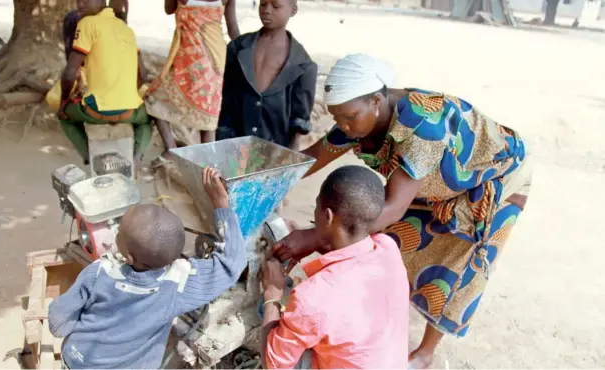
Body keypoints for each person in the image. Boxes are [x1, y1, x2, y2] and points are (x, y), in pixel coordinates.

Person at [272, 54, 533, 368]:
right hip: (431, 183)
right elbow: (310, 159)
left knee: (461, 262)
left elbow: (392, 208)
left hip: (492, 177)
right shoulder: (355, 116)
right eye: (336, 116)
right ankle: (378, 318)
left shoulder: (425, 127)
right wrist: (266, 181)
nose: (342, 125)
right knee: (390, 242)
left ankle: (424, 353)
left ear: (376, 101)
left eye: (349, 116)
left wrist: (317, 237)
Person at [48, 167, 247, 369]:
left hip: (78, 362)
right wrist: (221, 204)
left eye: (119, 233)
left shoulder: (99, 272)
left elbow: (58, 324)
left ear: (129, 257)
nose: (114, 234)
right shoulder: (178, 284)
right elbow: (232, 262)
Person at [260, 165, 409, 368]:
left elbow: (274, 364)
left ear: (328, 216)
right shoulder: (387, 248)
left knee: (273, 323)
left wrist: (272, 294)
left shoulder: (312, 298)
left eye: (316, 206)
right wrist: (315, 241)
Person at [144, 0, 240, 163]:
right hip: (214, 56)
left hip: (187, 57)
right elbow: (233, 29)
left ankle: (171, 149)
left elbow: (169, 9)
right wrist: (245, 54)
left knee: (153, 98)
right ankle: (209, 164)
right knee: (208, 114)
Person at [58, 0, 152, 165]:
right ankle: (137, 157)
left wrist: (64, 100)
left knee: (64, 116)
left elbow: (68, 75)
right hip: (129, 111)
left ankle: (88, 154)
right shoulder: (127, 29)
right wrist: (125, 95)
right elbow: (143, 75)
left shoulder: (87, 23)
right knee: (147, 121)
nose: (80, 4)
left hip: (96, 109)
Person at [216, 0, 317, 151]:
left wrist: (293, 147)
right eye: (263, 4)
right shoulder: (237, 48)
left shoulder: (303, 64)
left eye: (275, 6)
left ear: (293, 10)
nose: (267, 10)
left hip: (274, 144)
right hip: (234, 140)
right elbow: (226, 96)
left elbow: (300, 113)